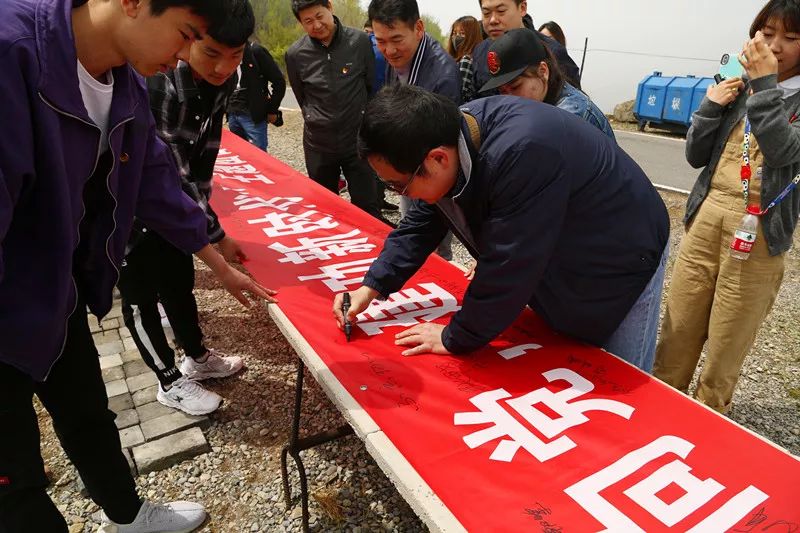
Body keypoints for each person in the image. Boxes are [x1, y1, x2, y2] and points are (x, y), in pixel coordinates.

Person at [0, 0, 277, 531]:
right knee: (15, 482)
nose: (183, 58)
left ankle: (127, 515)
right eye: (186, 35)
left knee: (87, 412)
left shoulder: (122, 80)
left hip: (56, 288)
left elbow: (155, 180)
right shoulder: (13, 53)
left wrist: (217, 262)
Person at [333, 84, 669, 371]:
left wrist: (455, 337)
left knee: (617, 378)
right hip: (563, 247)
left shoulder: (522, 152)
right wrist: (371, 287)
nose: (400, 195)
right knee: (566, 348)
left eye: (398, 187)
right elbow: (420, 224)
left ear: (438, 160)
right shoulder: (447, 136)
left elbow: (510, 263)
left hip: (625, 252)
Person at [653, 0, 800, 414]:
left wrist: (765, 85)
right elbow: (696, 155)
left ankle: (705, 426)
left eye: (791, 37)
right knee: (677, 332)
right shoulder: (739, 86)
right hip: (707, 215)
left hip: (761, 230)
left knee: (725, 348)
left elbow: (782, 149)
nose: (776, 45)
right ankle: (658, 415)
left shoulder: (770, 89)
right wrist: (711, 105)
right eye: (767, 34)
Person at [119, 0, 257, 417]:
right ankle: (167, 380)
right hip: (130, 210)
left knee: (179, 282)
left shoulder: (221, 83)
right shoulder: (160, 85)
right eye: (212, 53)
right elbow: (170, 176)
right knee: (141, 297)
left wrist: (210, 231)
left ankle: (196, 358)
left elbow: (201, 163)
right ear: (190, 37)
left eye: (235, 57)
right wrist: (216, 251)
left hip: (169, 205)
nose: (222, 68)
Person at [369, 0, 461, 260]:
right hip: (406, 168)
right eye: (381, 41)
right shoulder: (397, 58)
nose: (389, 50)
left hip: (429, 175)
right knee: (409, 229)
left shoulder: (442, 75)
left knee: (431, 243)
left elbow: (444, 147)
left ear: (418, 28)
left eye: (396, 39)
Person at [286, 0, 381, 220]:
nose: (316, 25)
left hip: (356, 141)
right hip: (318, 143)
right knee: (324, 209)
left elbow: (370, 85)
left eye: (319, 16)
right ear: (301, 23)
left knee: (367, 207)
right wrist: (315, 118)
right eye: (308, 21)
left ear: (329, 7)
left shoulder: (359, 41)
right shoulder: (295, 54)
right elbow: (302, 97)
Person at [480, 29, 614, 139]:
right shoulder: (539, 105)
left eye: (515, 87)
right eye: (502, 91)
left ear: (543, 71)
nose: (508, 99)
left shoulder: (570, 117)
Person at [470, 0, 581, 99]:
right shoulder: (480, 51)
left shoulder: (552, 51)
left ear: (522, 8)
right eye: (486, 13)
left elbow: (572, 107)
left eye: (501, 11)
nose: (493, 20)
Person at [364, 18, 399, 212]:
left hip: (373, 109)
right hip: (385, 109)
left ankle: (378, 199)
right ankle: (377, 201)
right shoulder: (386, 50)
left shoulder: (365, 47)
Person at [227, 41, 286, 152]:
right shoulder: (226, 52)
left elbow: (279, 82)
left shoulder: (256, 51)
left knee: (258, 156)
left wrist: (272, 110)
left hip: (252, 114)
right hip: (232, 112)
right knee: (239, 156)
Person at [446, 15, 485, 103]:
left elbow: (459, 93)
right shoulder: (477, 58)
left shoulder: (466, 60)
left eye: (462, 33)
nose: (456, 37)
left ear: (472, 36)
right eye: (454, 33)